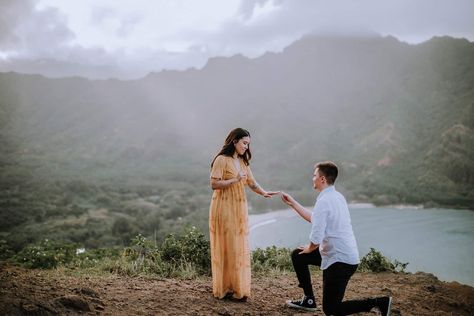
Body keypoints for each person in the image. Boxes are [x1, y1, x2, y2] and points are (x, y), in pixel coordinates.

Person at [280, 161, 392, 316]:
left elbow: (317, 236)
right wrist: (292, 203)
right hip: (340, 256)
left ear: (322, 179)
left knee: (331, 310)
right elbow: (315, 219)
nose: (312, 178)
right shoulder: (337, 197)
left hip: (340, 261)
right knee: (298, 255)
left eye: (314, 175)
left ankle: (378, 303)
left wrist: (310, 248)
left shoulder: (324, 201)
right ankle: (309, 300)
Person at [209, 127, 279, 300]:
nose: (246, 147)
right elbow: (214, 184)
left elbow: (252, 183)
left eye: (248, 144)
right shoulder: (221, 160)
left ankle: (236, 287)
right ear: (234, 141)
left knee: (238, 246)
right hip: (223, 207)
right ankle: (225, 288)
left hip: (239, 208)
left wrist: (264, 192)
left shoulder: (242, 162)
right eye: (244, 143)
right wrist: (235, 179)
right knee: (227, 246)